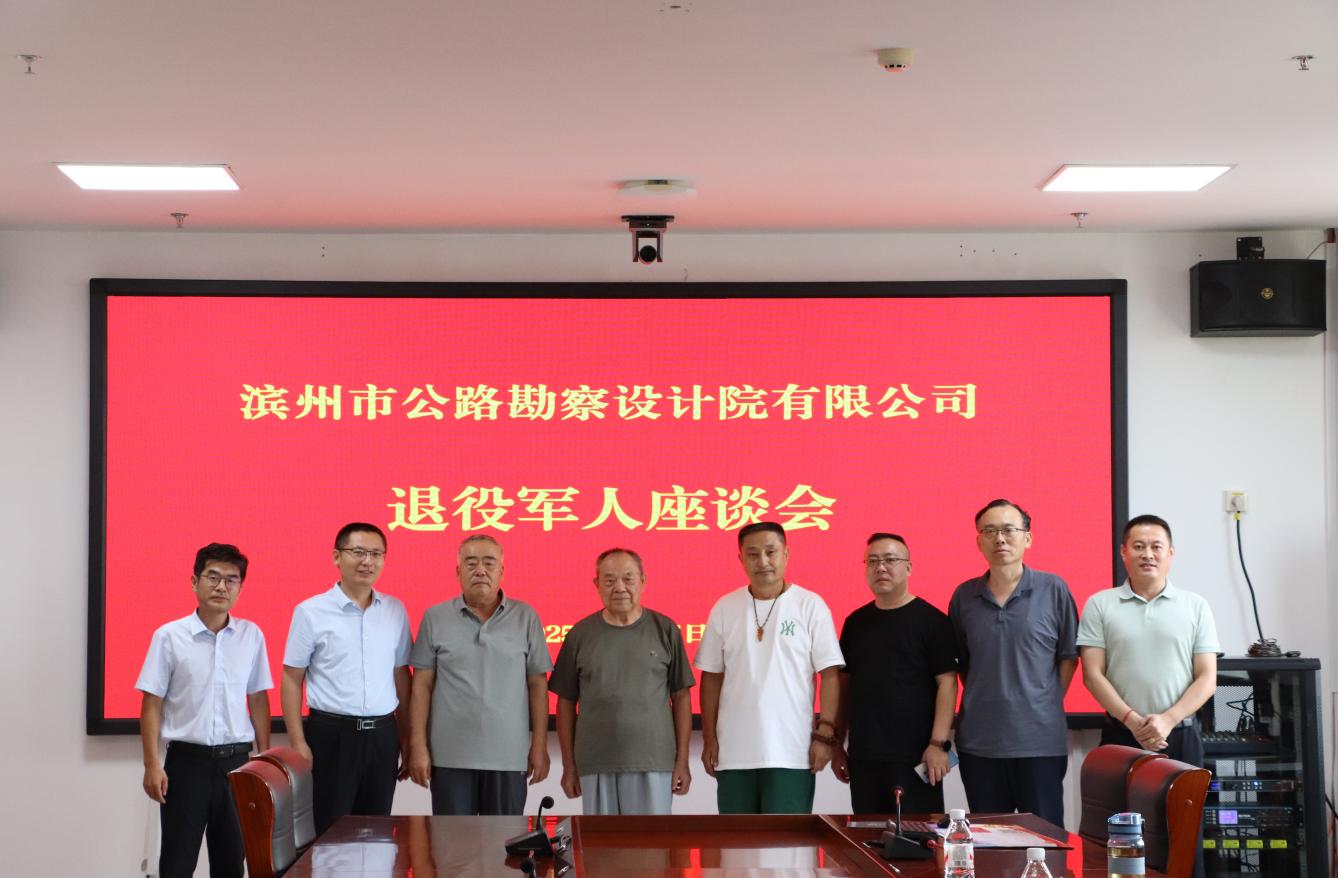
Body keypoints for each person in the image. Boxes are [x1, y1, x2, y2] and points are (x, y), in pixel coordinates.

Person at [137, 543, 272, 878]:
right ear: (194, 582)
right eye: (213, 577)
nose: (221, 586)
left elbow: (258, 698)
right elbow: (152, 704)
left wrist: (264, 759)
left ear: (240, 587)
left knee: (231, 863)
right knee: (177, 863)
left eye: (231, 579)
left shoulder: (251, 636)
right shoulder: (169, 637)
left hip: (237, 764)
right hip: (186, 764)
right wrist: (152, 764)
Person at [695, 521, 845, 814]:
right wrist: (710, 739)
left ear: (786, 554)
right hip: (734, 753)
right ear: (741, 559)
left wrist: (825, 735)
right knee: (737, 841)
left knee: (786, 841)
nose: (762, 561)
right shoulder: (725, 607)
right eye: (752, 554)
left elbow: (829, 674)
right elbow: (711, 677)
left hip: (791, 752)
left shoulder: (810, 605)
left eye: (770, 552)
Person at [948, 499, 1078, 829]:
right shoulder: (964, 596)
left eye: (1009, 530)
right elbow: (963, 663)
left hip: (1040, 742)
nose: (1000, 539)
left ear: (1027, 538)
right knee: (990, 841)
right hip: (980, 743)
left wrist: (1043, 699)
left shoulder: (1054, 589)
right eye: (990, 531)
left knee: (1045, 840)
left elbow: (1068, 657)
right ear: (979, 541)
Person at [282, 523, 412, 835]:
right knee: (330, 833)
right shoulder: (311, 611)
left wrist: (407, 738)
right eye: (358, 552)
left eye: (376, 554)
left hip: (382, 736)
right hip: (332, 736)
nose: (368, 561)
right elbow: (291, 678)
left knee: (376, 831)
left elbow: (401, 676)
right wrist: (298, 742)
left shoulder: (394, 610)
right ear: (336, 557)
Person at [407, 534, 551, 815]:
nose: (480, 570)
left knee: (504, 840)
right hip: (449, 757)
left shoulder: (526, 617)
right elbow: (421, 686)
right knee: (451, 840)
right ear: (458, 571)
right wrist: (418, 745)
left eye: (489, 562)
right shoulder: (435, 617)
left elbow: (537, 685)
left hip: (509, 757)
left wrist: (540, 745)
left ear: (502, 571)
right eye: (471, 563)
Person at [549, 548, 695, 814]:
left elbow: (682, 696)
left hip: (653, 761)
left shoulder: (665, 629)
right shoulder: (579, 635)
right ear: (596, 584)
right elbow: (565, 702)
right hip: (595, 762)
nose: (619, 588)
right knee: (601, 841)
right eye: (609, 580)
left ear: (643, 581)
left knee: (649, 840)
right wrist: (569, 766)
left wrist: (683, 760)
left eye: (628, 579)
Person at [832, 532, 958, 813]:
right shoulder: (855, 623)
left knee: (918, 832)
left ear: (909, 567)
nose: (881, 567)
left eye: (890, 560)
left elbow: (948, 685)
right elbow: (845, 686)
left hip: (917, 755)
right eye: (873, 561)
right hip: (864, 755)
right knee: (867, 833)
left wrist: (938, 744)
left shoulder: (933, 621)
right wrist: (837, 745)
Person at [1078, 514, 1219, 763]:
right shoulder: (1099, 604)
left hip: (1180, 734)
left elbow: (1207, 678)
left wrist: (1168, 720)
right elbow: (1092, 674)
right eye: (1139, 546)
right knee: (1118, 793)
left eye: (1156, 547)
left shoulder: (1196, 606)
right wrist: (1133, 721)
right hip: (1121, 733)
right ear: (1124, 552)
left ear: (1171, 553)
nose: (1148, 555)